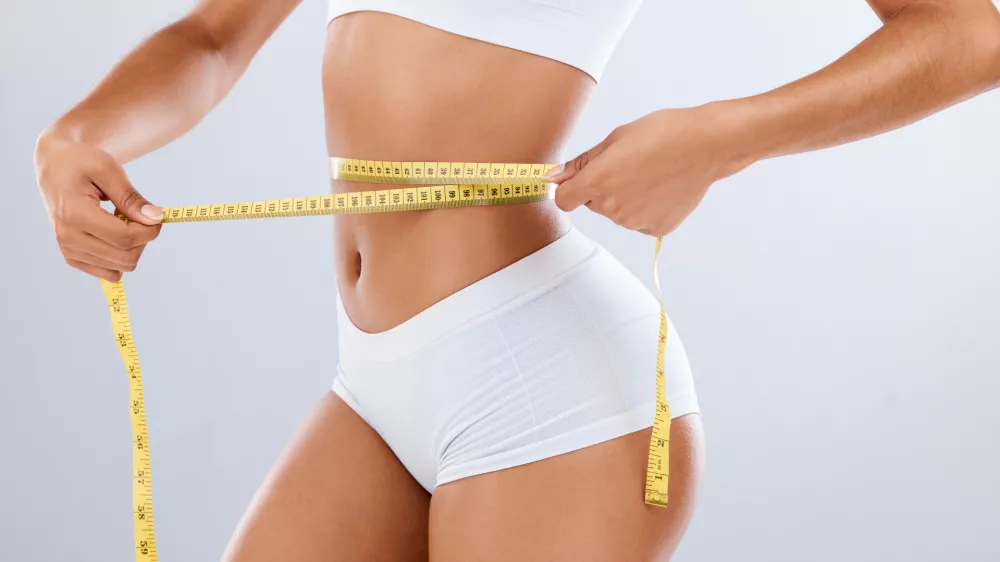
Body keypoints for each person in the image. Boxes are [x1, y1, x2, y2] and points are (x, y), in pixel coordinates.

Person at [31, 0, 1000, 560]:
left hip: (549, 395)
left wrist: (720, 139)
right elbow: (212, 35)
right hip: (372, 383)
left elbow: (968, 30)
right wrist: (76, 139)